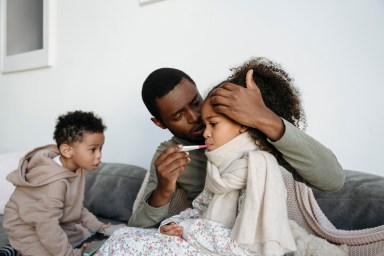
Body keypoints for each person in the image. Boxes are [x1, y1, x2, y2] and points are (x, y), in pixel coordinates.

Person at [96, 57, 347, 255]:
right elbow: (143, 225)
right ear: (159, 123)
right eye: (178, 116)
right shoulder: (170, 154)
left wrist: (265, 118)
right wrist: (162, 191)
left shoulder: (258, 139)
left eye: (195, 102)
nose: (195, 119)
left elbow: (333, 179)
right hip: (208, 239)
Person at [3, 110, 110, 256]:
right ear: (67, 150)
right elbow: (47, 226)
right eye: (93, 149)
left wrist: (100, 227)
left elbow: (76, 207)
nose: (99, 156)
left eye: (100, 148)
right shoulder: (54, 183)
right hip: (25, 225)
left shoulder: (75, 168)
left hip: (51, 221)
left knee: (87, 242)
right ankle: (15, 248)